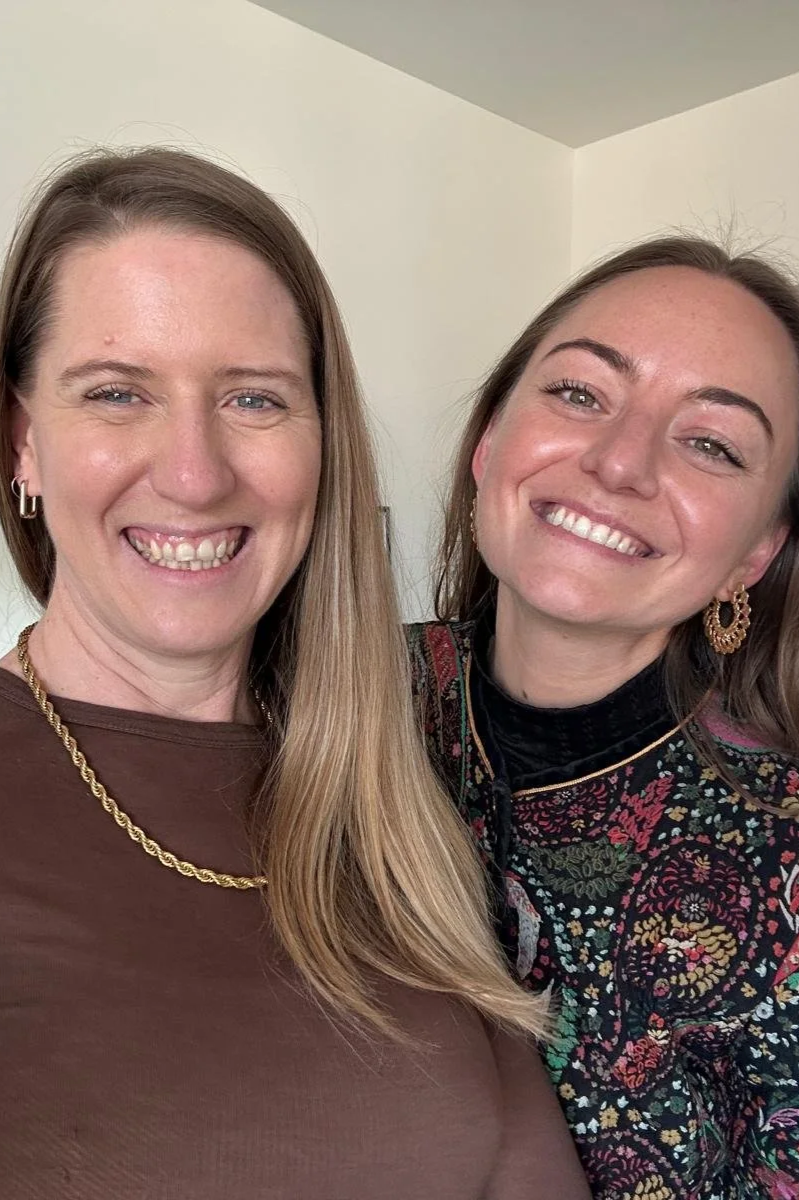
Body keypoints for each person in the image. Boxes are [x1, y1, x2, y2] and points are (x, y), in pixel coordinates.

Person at [0, 146, 590, 1199]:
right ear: (22, 444)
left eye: (255, 401)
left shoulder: (391, 803)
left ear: (324, 445)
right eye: (117, 392)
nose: (193, 471)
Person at [408, 237, 799, 1200]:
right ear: (489, 441)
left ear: (756, 551)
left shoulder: (782, 855)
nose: (619, 462)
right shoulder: (317, 696)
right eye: (580, 394)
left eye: (711, 443)